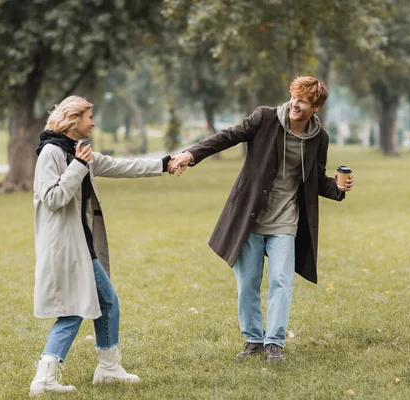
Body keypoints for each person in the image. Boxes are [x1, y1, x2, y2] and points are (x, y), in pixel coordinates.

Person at [170, 76, 353, 362]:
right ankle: (253, 339)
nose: (295, 103)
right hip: (250, 217)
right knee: (248, 283)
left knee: (281, 280)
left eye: (303, 100)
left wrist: (337, 187)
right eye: (294, 96)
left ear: (315, 107)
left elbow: (316, 178)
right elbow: (227, 137)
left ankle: (274, 343)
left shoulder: (320, 138)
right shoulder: (265, 118)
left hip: (286, 219)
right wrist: (191, 154)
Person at [29, 96, 173, 396]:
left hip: (82, 243)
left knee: (102, 302)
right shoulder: (52, 153)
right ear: (74, 118)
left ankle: (103, 369)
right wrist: (79, 166)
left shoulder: (79, 151)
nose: (93, 122)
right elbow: (52, 198)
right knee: (79, 308)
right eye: (89, 116)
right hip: (65, 247)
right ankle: (49, 377)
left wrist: (164, 164)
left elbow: (122, 165)